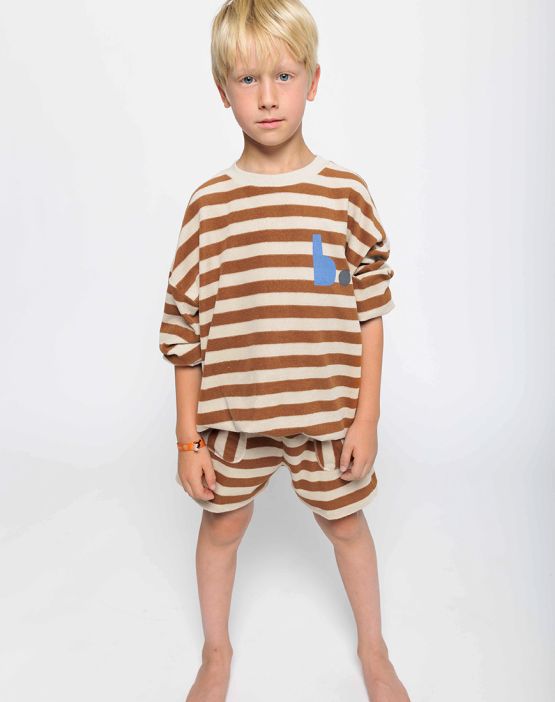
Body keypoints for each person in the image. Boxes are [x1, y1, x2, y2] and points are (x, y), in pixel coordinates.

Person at [158, 1, 411, 700]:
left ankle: (373, 647)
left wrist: (365, 419)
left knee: (347, 527)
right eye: (247, 79)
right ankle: (215, 651)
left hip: (327, 416)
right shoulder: (210, 205)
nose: (267, 96)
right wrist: (187, 439)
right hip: (235, 418)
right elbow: (183, 329)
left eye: (284, 75)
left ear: (313, 81)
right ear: (223, 91)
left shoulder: (343, 195)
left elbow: (369, 311)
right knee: (222, 527)